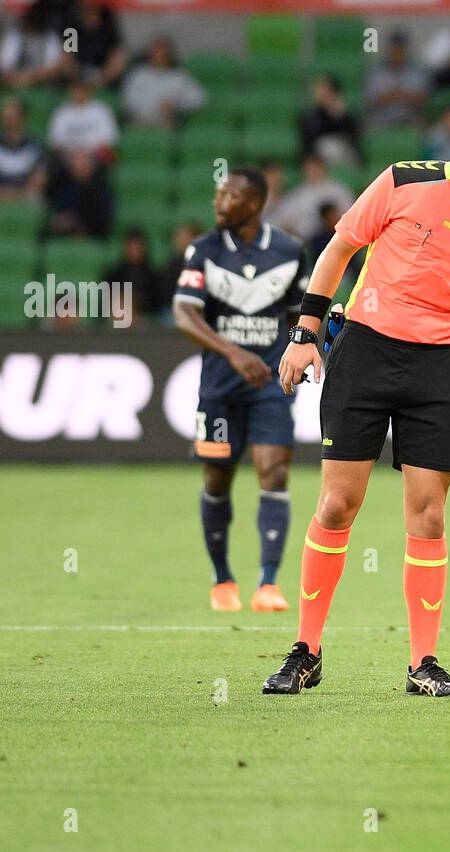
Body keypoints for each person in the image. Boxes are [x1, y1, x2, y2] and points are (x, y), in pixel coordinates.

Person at [264, 110, 450, 699]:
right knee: (337, 504)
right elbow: (339, 249)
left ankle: (424, 664)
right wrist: (305, 334)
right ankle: (306, 651)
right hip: (363, 352)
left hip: (436, 370)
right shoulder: (403, 181)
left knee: (430, 516)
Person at [171, 168, 312, 612]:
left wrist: (298, 351)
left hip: (271, 384)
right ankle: (222, 579)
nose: (219, 202)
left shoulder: (290, 251)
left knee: (274, 472)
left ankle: (268, 583)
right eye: (218, 194)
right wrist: (233, 353)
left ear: (253, 204)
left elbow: (300, 316)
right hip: (219, 388)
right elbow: (184, 314)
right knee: (218, 478)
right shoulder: (204, 250)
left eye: (228, 196)